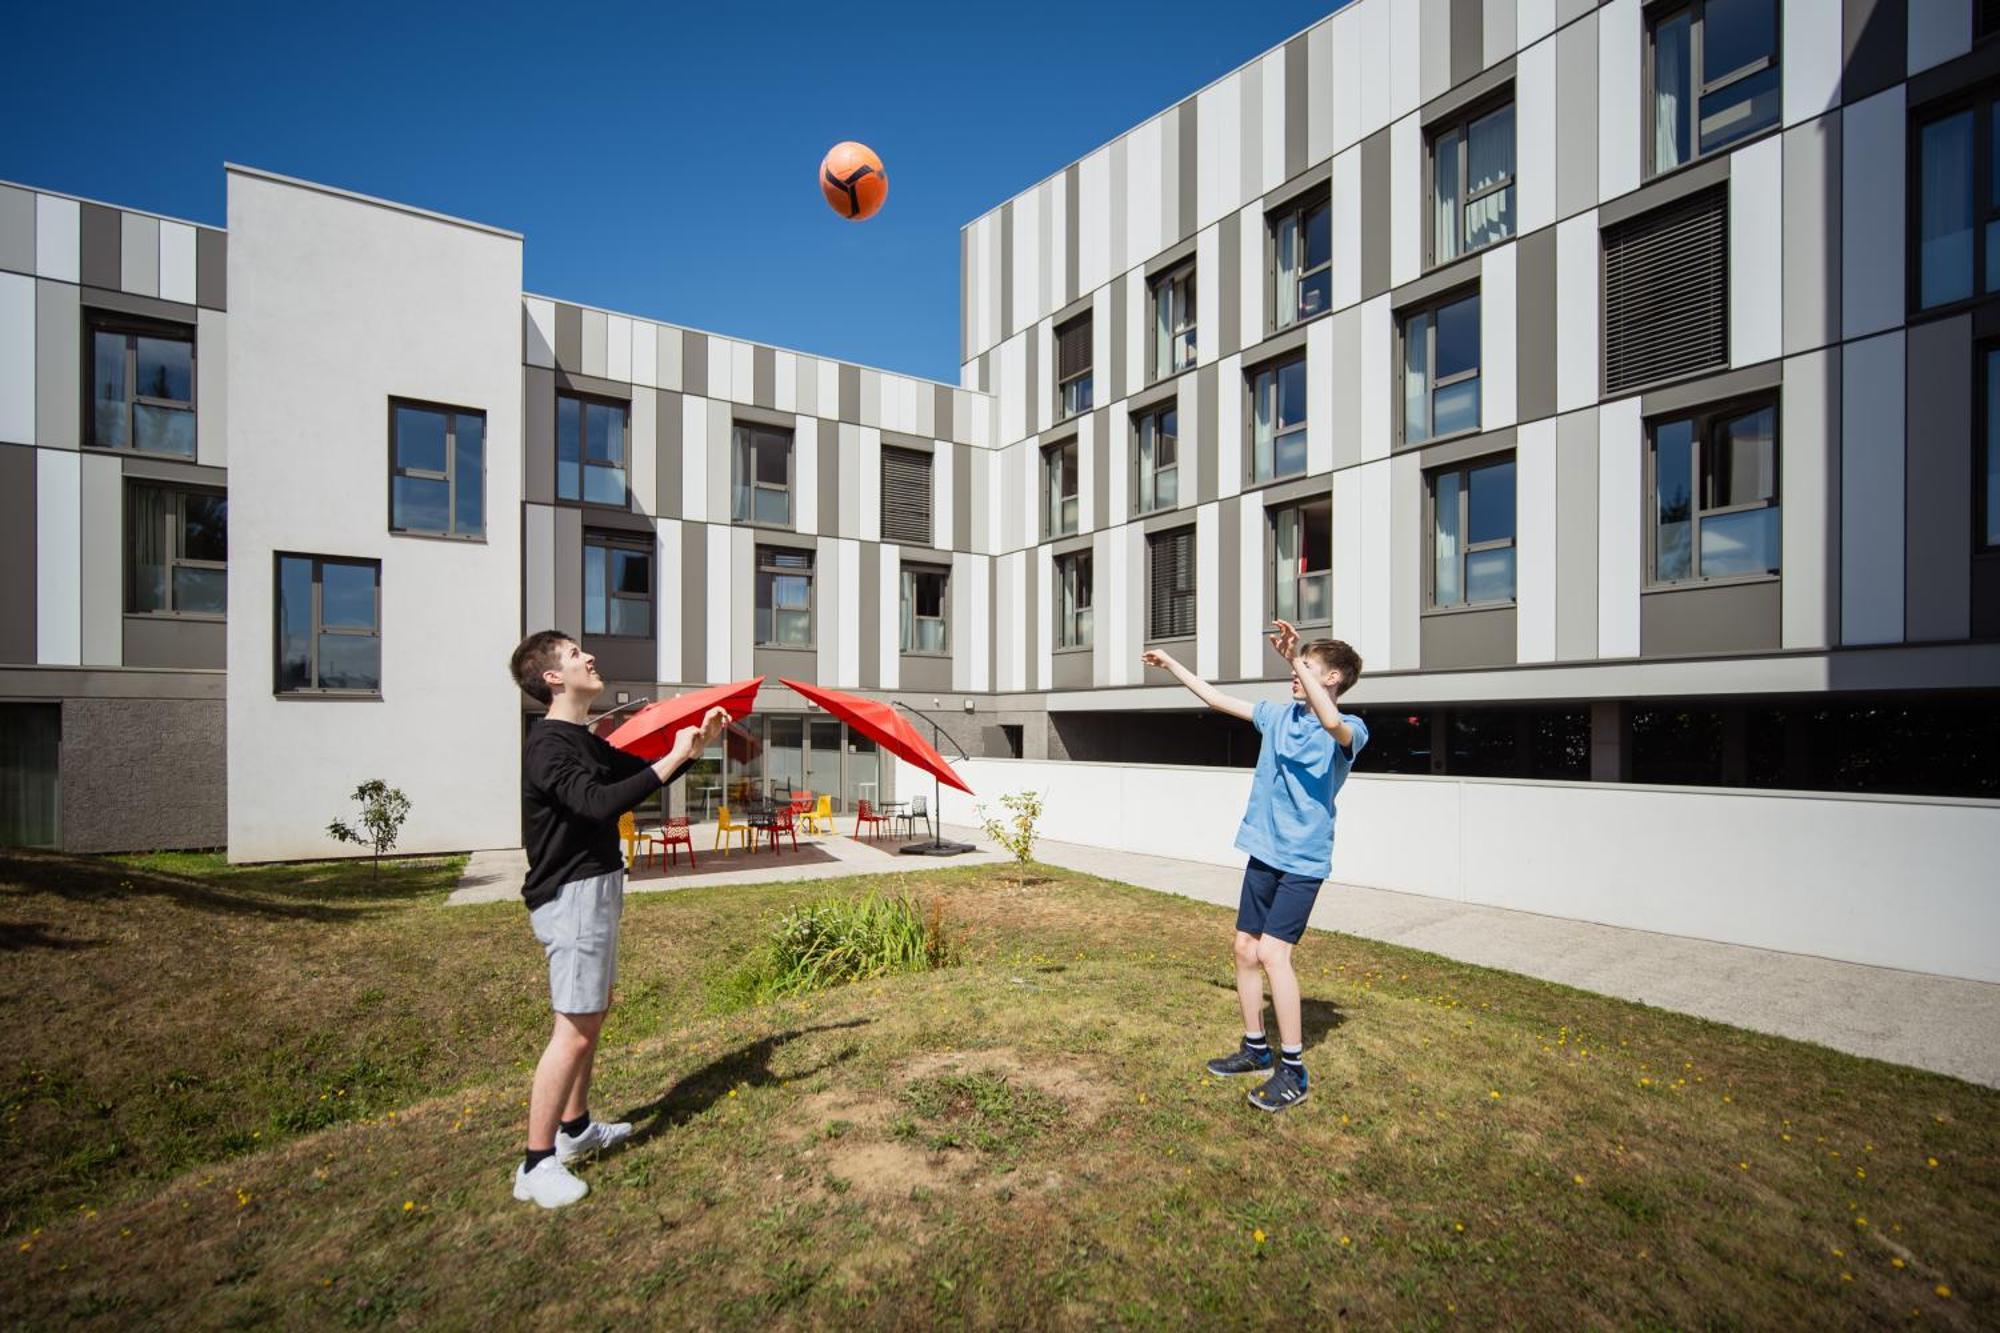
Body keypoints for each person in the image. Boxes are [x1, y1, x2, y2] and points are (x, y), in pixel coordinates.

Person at [507, 630, 729, 1207]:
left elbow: (636, 776)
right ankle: (535, 1163)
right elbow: (598, 803)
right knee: (574, 1027)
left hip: (597, 887)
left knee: (592, 1014)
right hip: (572, 895)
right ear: (553, 676)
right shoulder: (550, 746)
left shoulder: (581, 738)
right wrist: (676, 756)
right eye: (576, 653)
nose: (589, 657)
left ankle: (576, 1130)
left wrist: (693, 747)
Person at [1141, 620, 1368, 1112]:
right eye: (1297, 664)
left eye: (1308, 667)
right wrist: (1172, 665)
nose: (1295, 673)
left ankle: (1293, 1070)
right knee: (1244, 947)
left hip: (1303, 861)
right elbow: (1217, 699)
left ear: (1332, 679)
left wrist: (1293, 660)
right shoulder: (1276, 716)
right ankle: (1255, 1049)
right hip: (1263, 852)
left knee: (1273, 955)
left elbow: (1333, 724)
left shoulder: (1349, 731)